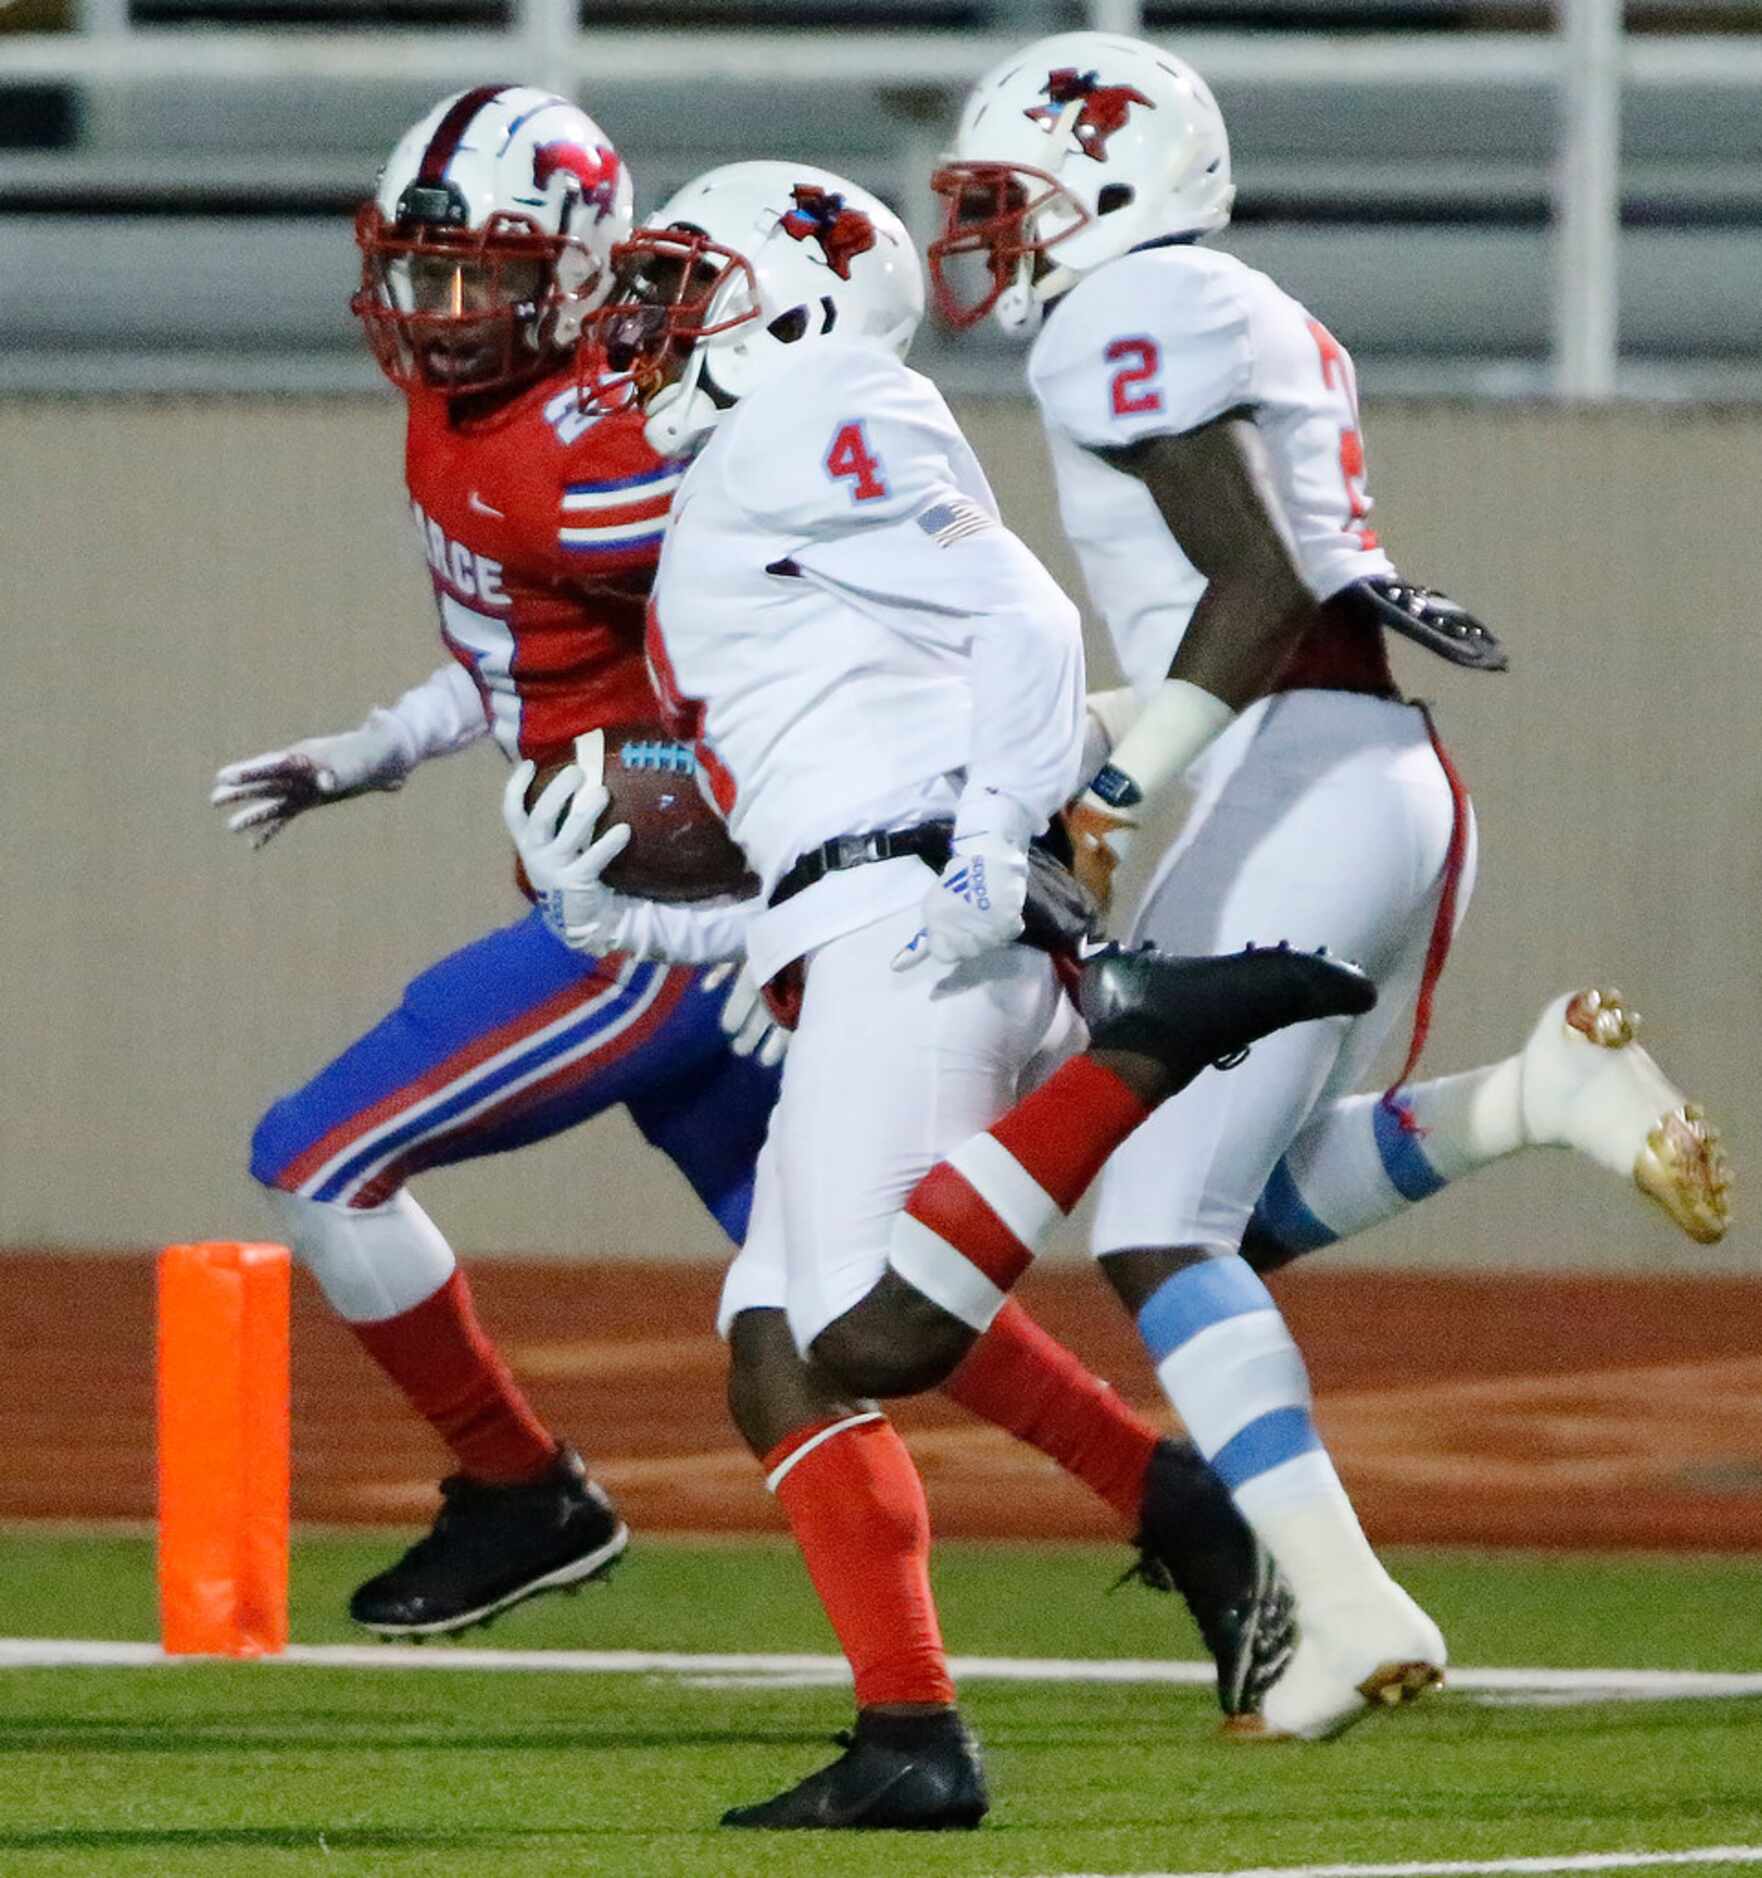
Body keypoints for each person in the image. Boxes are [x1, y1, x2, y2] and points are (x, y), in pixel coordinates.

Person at [215, 87, 1296, 1704]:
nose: (440, 318)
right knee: (829, 1302)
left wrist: (820, 853)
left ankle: (521, 1486)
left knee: (320, 1158)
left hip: (671, 920)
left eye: (479, 279)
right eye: (418, 275)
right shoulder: (527, 423)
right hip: (723, 899)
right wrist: (387, 744)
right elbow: (520, 638)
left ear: (582, 269)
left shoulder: (638, 451)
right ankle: (1176, 1509)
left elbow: (838, 604)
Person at [510, 157, 1375, 1829]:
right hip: (878, 899)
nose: (642, 327)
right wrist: (616, 907)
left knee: (868, 1332)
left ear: (802, 307)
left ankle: (1145, 1040)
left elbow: (1025, 618)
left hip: (929, 901)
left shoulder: (820, 401)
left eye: (684, 290)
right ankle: (911, 1736)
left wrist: (988, 833)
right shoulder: (753, 473)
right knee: (775, 1352)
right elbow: (818, 787)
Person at [926, 27, 1730, 1742]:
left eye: (1015, 196)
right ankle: (1531, 1096)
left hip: (1289, 767)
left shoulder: (1120, 315)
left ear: (1113, 183)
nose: (994, 233)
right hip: (1352, 769)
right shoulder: (1229, 306)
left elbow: (1257, 574)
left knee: (1152, 1224)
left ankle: (1347, 1601)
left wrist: (1119, 791)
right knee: (1234, 1209)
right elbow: (1250, 592)